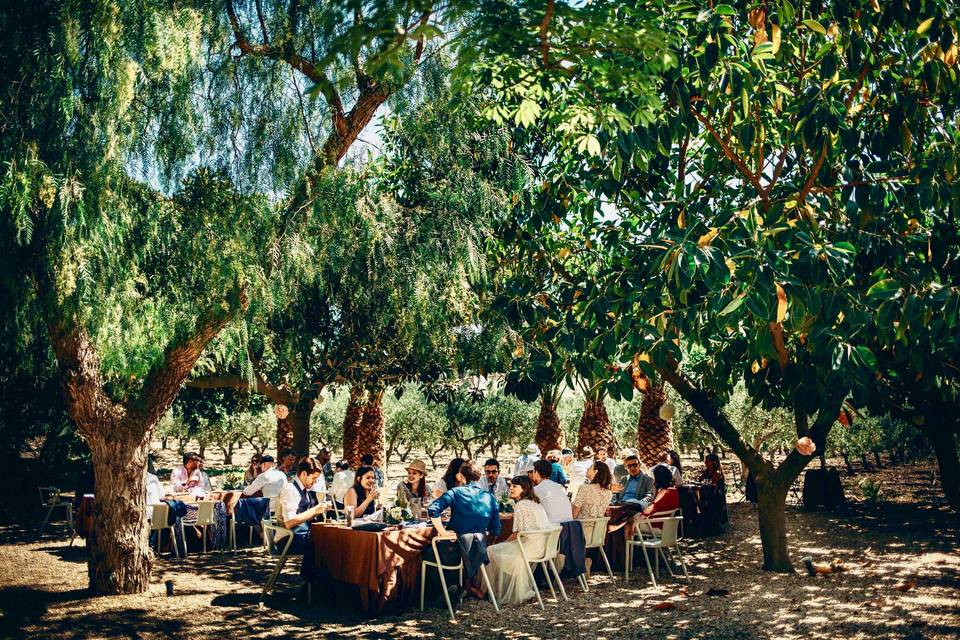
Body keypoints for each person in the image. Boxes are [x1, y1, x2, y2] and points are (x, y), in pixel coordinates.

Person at [427, 460, 502, 604]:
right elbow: (495, 529)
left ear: (461, 476)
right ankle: (463, 585)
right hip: (478, 553)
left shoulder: (455, 492)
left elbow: (433, 509)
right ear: (480, 477)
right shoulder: (490, 498)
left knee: (429, 552)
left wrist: (442, 532)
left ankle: (437, 594)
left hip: (453, 551)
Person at [481, 475, 551, 605]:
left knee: (490, 550)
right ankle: (497, 588)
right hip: (542, 547)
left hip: (528, 548)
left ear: (524, 488)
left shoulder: (521, 505)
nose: (511, 488)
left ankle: (490, 590)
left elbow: (517, 533)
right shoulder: (535, 503)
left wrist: (502, 543)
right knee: (497, 549)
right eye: (510, 486)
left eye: (514, 486)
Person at [276, 457, 327, 579]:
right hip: (288, 539)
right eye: (313, 478)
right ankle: (314, 583)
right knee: (328, 544)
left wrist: (318, 512)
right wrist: (314, 510)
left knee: (332, 540)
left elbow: (303, 517)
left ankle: (317, 584)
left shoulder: (303, 490)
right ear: (304, 474)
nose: (314, 482)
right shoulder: (290, 490)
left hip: (299, 535)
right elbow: (289, 522)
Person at [608, 454, 658, 528]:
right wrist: (613, 502)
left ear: (639, 465)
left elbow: (649, 496)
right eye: (629, 466)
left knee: (618, 516)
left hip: (634, 506)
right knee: (609, 513)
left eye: (635, 465)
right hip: (621, 506)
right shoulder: (624, 479)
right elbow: (616, 494)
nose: (632, 468)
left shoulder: (647, 480)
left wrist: (639, 503)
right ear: (626, 467)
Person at [530, 459, 572, 523]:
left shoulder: (536, 490)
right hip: (569, 527)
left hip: (552, 529)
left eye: (532, 472)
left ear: (536, 472)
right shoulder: (559, 487)